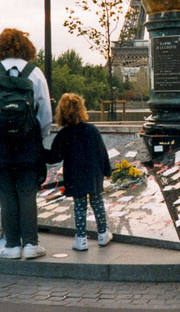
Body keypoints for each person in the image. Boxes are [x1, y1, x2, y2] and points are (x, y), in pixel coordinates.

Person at [0, 29, 52, 259]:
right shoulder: (35, 73)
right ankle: (31, 244)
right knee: (28, 193)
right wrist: (37, 137)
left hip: (1, 144)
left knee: (7, 194)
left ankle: (11, 245)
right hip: (28, 144)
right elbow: (46, 113)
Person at [44, 93, 113, 251]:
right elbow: (102, 153)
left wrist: (38, 152)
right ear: (81, 109)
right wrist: (107, 170)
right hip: (93, 174)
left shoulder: (63, 135)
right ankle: (103, 234)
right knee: (97, 203)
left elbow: (54, 157)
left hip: (75, 175)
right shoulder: (92, 130)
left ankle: (81, 239)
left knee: (79, 206)